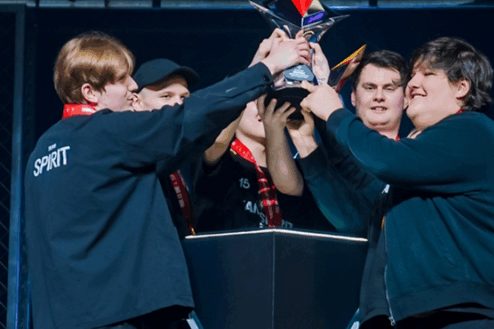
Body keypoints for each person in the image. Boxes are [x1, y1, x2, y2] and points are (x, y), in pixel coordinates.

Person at [24, 30, 309, 329]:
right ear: (90, 92)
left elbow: (182, 148)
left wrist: (251, 70)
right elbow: (192, 117)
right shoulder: (106, 132)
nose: (132, 86)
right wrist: (266, 69)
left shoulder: (42, 152)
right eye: (121, 79)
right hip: (117, 316)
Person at [299, 37, 494, 328]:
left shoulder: (472, 131)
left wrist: (335, 114)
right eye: (413, 75)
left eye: (428, 74)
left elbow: (385, 160)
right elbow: (364, 180)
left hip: (468, 313)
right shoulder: (428, 156)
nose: (412, 83)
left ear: (461, 88)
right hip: (428, 312)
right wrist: (323, 96)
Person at [194, 33, 335, 232]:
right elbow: (217, 140)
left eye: (269, 98)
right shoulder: (220, 158)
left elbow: (291, 188)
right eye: (254, 99)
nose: (262, 105)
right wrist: (261, 64)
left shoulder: (294, 167)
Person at [287, 50, 411, 236]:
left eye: (389, 88)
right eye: (370, 87)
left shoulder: (413, 162)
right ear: (353, 96)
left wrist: (326, 108)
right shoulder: (314, 155)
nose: (379, 96)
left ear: (406, 98)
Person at [131, 58, 201, 238]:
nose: (178, 104)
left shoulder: (184, 152)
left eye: (184, 97)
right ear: (136, 102)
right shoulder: (130, 154)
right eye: (166, 96)